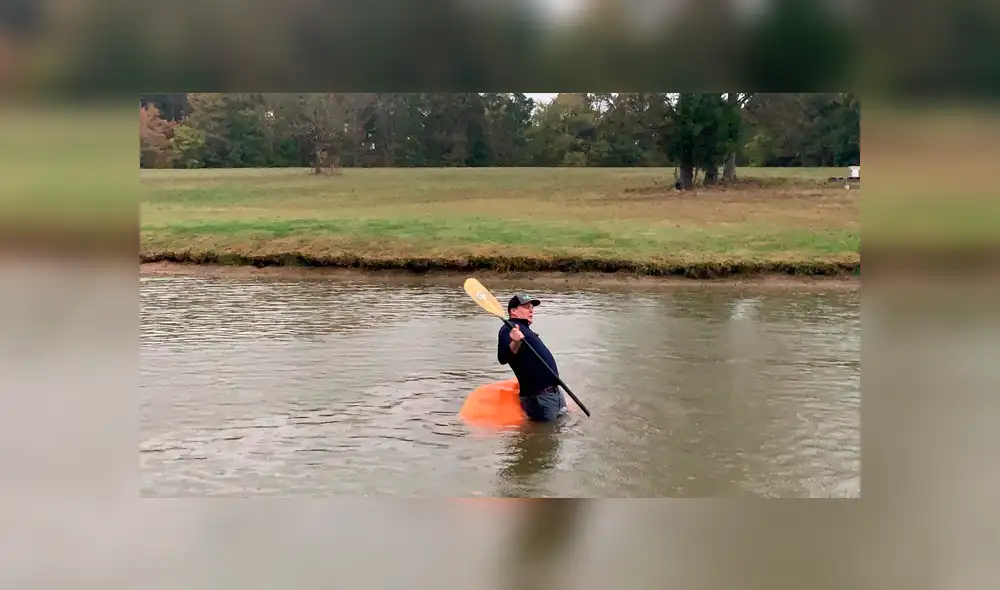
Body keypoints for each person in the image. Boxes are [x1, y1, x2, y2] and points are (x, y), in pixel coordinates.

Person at [497, 292, 568, 422]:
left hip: (554, 393)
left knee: (561, 428)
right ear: (513, 311)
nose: (531, 310)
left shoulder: (525, 329)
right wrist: (515, 342)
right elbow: (503, 358)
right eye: (526, 307)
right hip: (539, 397)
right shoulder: (509, 328)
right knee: (545, 434)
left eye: (532, 307)